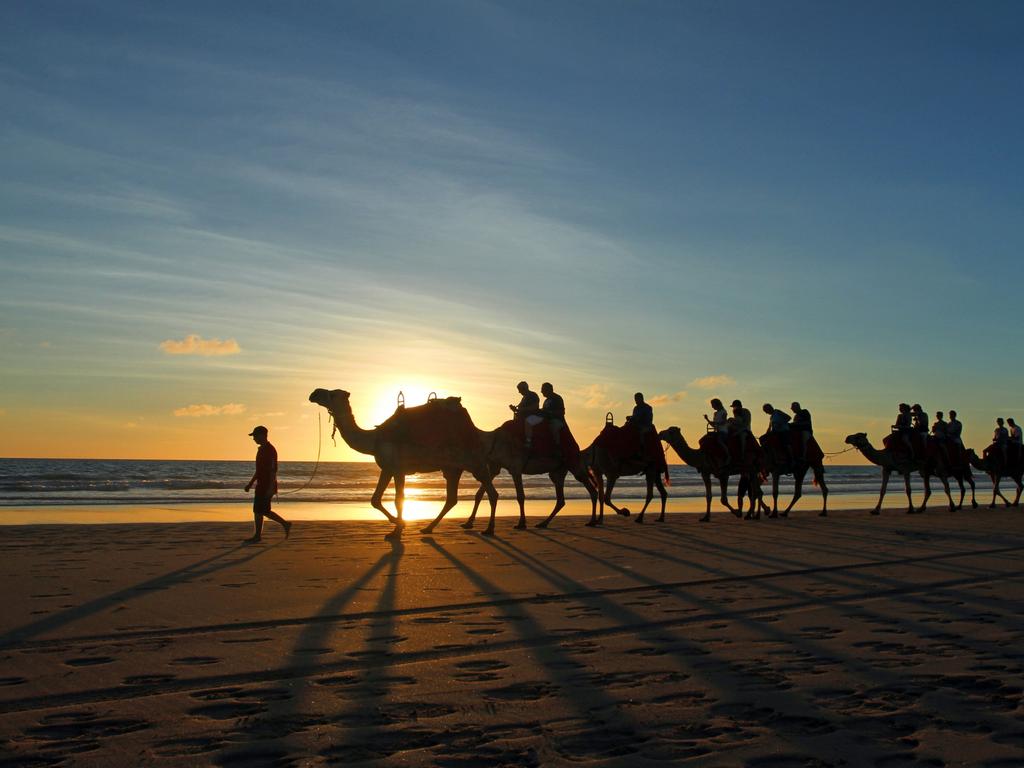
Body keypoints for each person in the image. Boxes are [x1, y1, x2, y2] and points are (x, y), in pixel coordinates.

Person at [244, 425, 290, 543]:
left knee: (260, 510)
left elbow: (273, 470)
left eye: (255, 436)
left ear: (262, 435)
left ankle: (258, 536)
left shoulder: (270, 450)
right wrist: (250, 484)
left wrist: (270, 487)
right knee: (263, 511)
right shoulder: (261, 449)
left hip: (267, 486)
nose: (253, 438)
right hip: (261, 485)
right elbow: (258, 471)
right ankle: (284, 524)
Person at [509, 381, 543, 446]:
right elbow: (520, 409)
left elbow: (535, 407)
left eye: (520, 390)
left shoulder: (533, 395)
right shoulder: (524, 397)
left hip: (534, 415)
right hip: (524, 416)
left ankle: (528, 441)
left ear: (524, 389)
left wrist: (522, 409)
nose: (519, 392)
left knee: (528, 422)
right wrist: (515, 409)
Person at [704, 398, 731, 465]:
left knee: (719, 441)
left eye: (713, 405)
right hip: (717, 432)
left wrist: (716, 424)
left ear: (717, 404)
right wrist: (707, 419)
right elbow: (714, 425)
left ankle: (728, 455)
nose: (712, 406)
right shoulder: (715, 413)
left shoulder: (724, 412)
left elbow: (724, 422)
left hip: (723, 431)